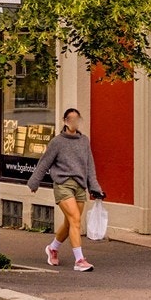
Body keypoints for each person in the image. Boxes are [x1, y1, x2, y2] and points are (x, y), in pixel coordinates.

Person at [28, 107, 105, 272]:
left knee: (70, 222)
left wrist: (95, 188)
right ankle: (79, 260)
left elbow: (89, 165)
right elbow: (45, 162)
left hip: (79, 186)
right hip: (63, 184)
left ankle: (52, 248)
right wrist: (34, 182)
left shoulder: (84, 141)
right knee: (76, 220)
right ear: (65, 121)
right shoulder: (57, 142)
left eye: (76, 119)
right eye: (70, 119)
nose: (73, 122)